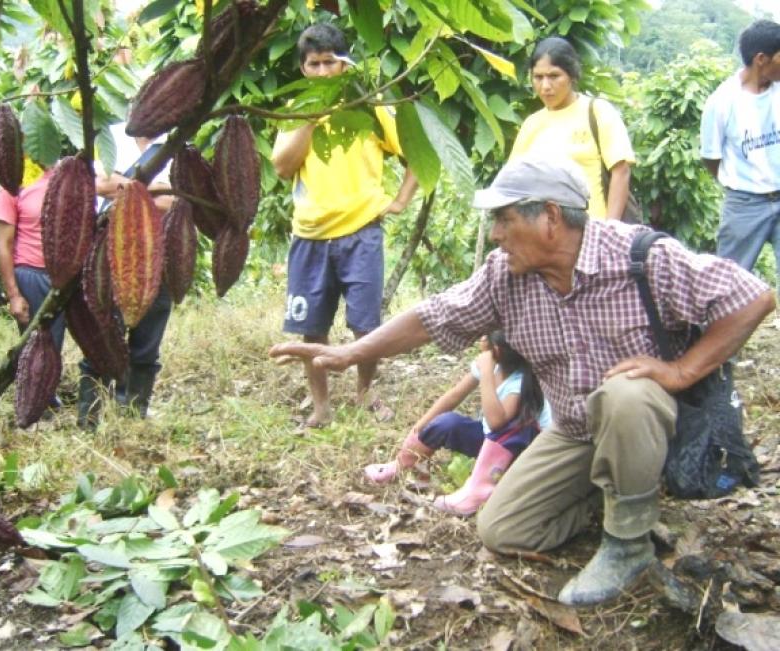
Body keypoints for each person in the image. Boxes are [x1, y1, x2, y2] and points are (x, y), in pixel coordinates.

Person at [270, 155, 775, 606]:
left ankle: (628, 545)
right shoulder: (504, 276)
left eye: (504, 219)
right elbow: (432, 317)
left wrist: (681, 371)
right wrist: (349, 351)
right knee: (503, 529)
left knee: (626, 392)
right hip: (574, 429)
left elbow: (751, 296)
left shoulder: (641, 256)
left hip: (652, 421)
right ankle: (610, 494)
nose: (495, 234)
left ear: (550, 217)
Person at [271, 23, 418, 428]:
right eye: (314, 65)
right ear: (303, 68)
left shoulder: (369, 105)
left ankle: (366, 393)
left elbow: (416, 155)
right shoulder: (294, 110)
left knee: (366, 325)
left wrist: (401, 200)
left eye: (329, 64)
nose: (322, 72)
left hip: (361, 232)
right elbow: (282, 167)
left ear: (345, 64)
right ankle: (321, 406)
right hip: (310, 235)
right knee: (311, 329)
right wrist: (311, 117)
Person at [365, 331, 551, 516]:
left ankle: (477, 492)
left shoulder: (520, 381)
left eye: (484, 337)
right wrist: (417, 430)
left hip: (521, 453)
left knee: (511, 428)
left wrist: (486, 373)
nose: (481, 339)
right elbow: (453, 396)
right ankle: (399, 467)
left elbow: (497, 424)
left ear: (497, 351)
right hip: (490, 444)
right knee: (446, 423)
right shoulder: (493, 367)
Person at [76, 124, 173, 428]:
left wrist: (126, 187)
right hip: (110, 253)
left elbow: (174, 201)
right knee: (102, 336)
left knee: (146, 343)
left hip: (158, 258)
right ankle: (90, 419)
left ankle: (131, 417)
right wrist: (148, 190)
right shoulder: (112, 137)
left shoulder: (177, 144)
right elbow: (98, 184)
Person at [509, 37, 635, 220]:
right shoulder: (531, 125)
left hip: (591, 234)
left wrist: (609, 231)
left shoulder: (597, 111)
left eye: (554, 76)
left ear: (572, 76)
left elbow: (620, 171)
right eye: (538, 77)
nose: (545, 86)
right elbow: (514, 183)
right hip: (543, 241)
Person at [700, 19, 780, 274]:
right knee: (729, 281)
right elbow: (711, 158)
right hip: (744, 204)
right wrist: (740, 183)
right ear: (761, 59)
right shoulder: (722, 103)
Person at [0, 157, 66, 413]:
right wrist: (13, 294)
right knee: (36, 343)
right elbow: (4, 243)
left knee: (54, 343)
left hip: (66, 276)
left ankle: (45, 395)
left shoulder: (65, 174)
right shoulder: (14, 183)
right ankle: (32, 404)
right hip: (31, 274)